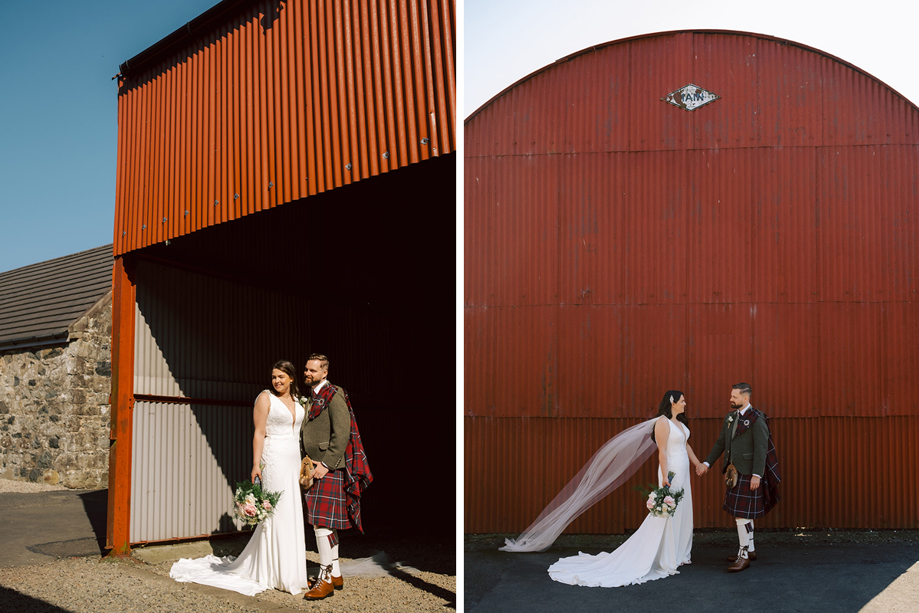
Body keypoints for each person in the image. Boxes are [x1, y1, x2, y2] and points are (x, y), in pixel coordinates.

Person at [170, 360, 310, 595]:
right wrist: (256, 464)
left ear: (292, 378)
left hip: (294, 460)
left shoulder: (299, 400)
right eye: (274, 376)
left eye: (281, 377)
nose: (276, 380)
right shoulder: (265, 398)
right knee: (278, 512)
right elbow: (258, 432)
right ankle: (274, 571)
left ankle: (291, 570)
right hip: (274, 458)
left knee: (293, 510)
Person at [300, 353, 372, 600]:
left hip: (328, 467)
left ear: (324, 372)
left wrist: (328, 464)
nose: (307, 373)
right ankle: (336, 573)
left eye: (312, 370)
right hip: (315, 465)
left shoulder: (334, 394)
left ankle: (325, 579)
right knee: (326, 524)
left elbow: (342, 433)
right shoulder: (313, 396)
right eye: (306, 369)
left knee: (321, 523)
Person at [696, 382, 781, 572]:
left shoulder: (757, 419)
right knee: (743, 514)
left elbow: (761, 450)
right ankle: (749, 549)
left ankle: (743, 556)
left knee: (741, 515)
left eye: (734, 397)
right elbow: (721, 443)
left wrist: (757, 475)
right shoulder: (730, 417)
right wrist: (707, 463)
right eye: (731, 396)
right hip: (733, 472)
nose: (730, 399)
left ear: (745, 398)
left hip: (749, 473)